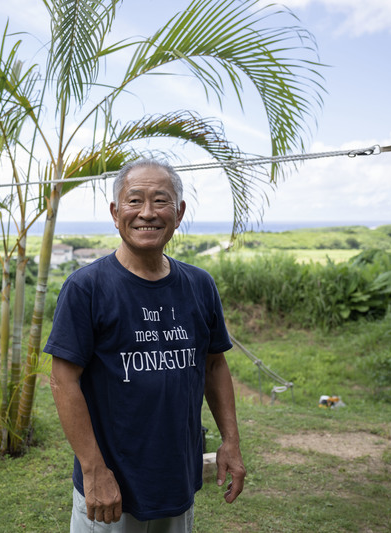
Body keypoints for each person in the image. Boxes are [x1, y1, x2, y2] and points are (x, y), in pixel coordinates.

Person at [45, 159, 246, 532]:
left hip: (177, 480)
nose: (147, 213)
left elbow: (215, 366)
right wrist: (94, 470)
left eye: (161, 201)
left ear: (179, 212)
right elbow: (62, 381)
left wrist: (230, 442)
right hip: (110, 489)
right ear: (115, 212)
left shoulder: (200, 285)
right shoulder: (86, 288)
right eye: (135, 200)